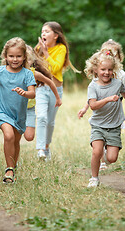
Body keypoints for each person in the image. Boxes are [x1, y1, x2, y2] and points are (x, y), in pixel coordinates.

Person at [84, 49, 125, 187]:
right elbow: (93, 105)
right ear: (95, 69)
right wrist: (107, 99)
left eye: (110, 69)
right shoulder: (93, 86)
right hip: (98, 125)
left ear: (114, 70)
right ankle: (94, 178)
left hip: (114, 126)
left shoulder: (117, 84)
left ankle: (105, 156)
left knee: (112, 158)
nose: (106, 72)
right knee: (96, 151)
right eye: (103, 69)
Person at [0, 37, 36, 184]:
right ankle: (9, 169)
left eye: (18, 56)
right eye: (11, 56)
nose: (14, 59)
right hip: (2, 111)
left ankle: (13, 168)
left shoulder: (27, 74)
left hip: (19, 114)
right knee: (9, 136)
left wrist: (24, 93)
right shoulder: (0, 71)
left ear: (24, 57)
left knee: (16, 141)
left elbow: (32, 93)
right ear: (5, 56)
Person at [78, 39, 125, 170]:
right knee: (98, 144)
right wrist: (85, 108)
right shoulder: (99, 76)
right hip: (101, 114)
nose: (109, 55)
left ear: (118, 57)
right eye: (105, 53)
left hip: (115, 111)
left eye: (112, 54)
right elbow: (92, 98)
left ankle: (108, 153)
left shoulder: (122, 76)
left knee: (112, 147)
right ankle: (100, 159)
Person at [34, 21, 79, 161]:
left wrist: (46, 53)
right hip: (41, 88)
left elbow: (55, 68)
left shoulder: (61, 49)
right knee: (41, 117)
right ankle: (40, 149)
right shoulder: (38, 49)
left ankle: (46, 147)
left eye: (47, 31)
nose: (43, 34)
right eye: (42, 31)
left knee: (50, 122)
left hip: (56, 90)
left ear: (56, 35)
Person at [24, 45, 62, 144]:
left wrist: (58, 98)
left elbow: (50, 82)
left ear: (32, 61)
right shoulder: (12, 72)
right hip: (15, 108)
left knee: (29, 136)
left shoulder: (34, 73)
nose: (26, 63)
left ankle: (44, 146)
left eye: (28, 60)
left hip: (29, 107)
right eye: (24, 60)